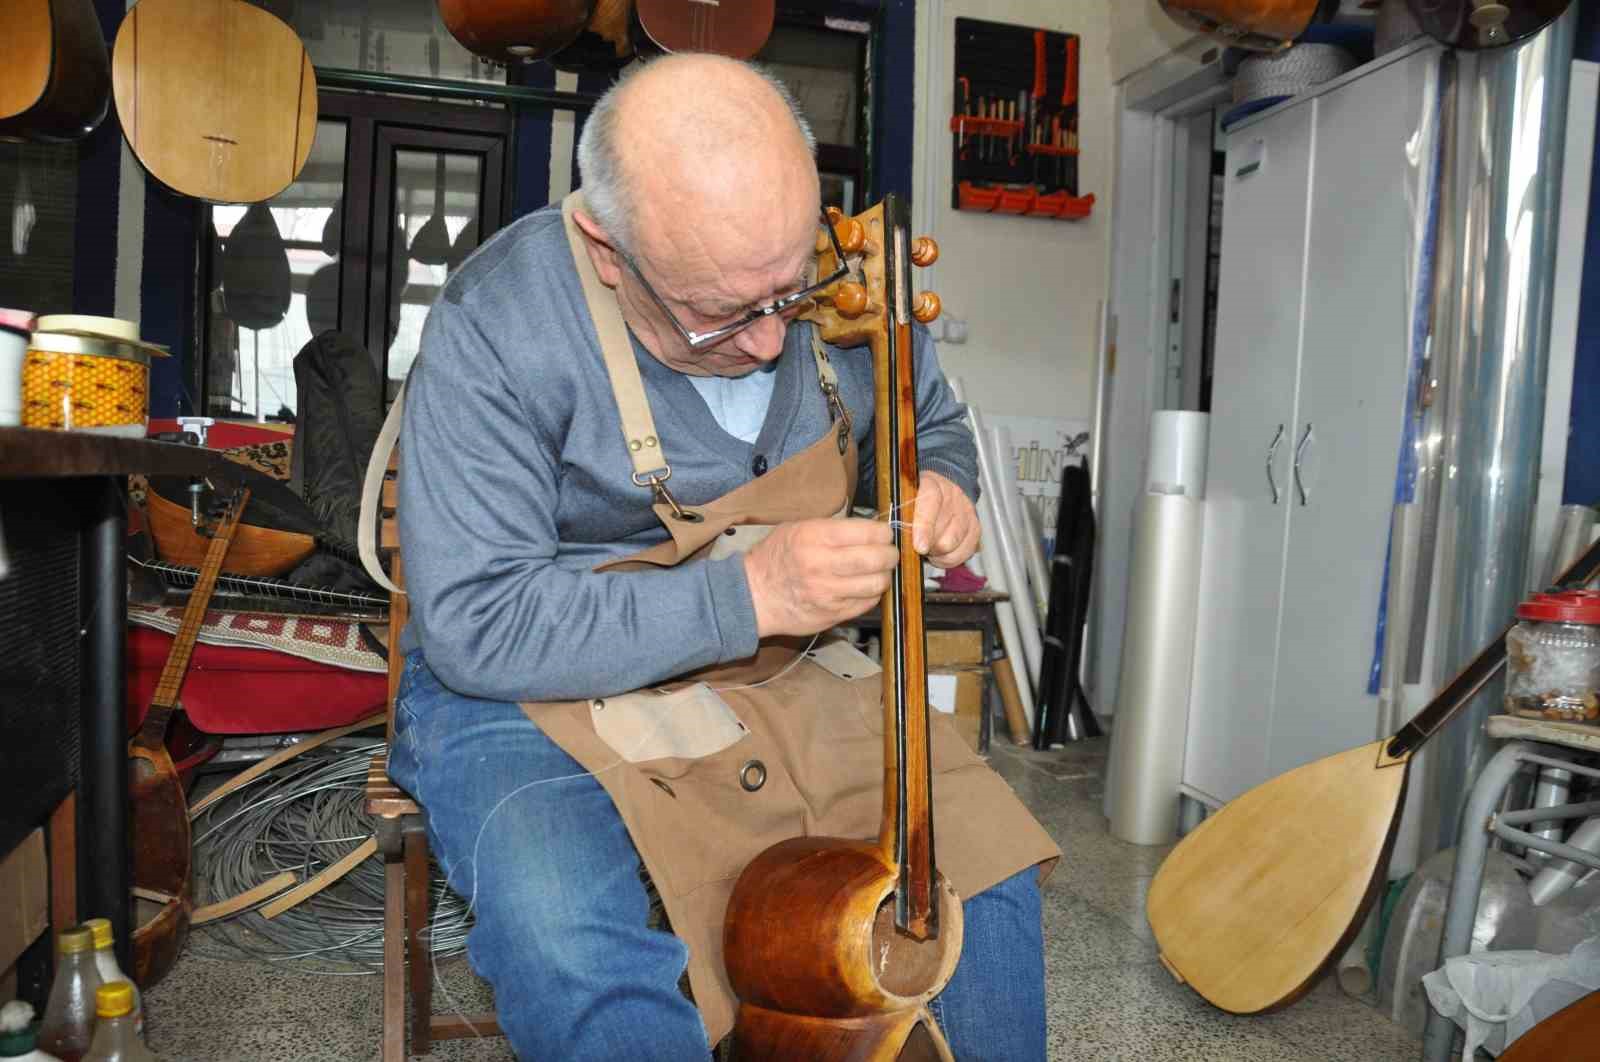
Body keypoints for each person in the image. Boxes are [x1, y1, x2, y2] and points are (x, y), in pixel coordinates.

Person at [389, 54, 1058, 1060]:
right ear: (606, 249)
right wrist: (749, 594)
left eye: (789, 290)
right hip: (530, 685)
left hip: (781, 664)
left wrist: (941, 484)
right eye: (721, 313)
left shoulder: (840, 277)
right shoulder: (500, 323)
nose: (769, 341)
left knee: (980, 872)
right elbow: (480, 626)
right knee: (571, 940)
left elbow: (933, 421)